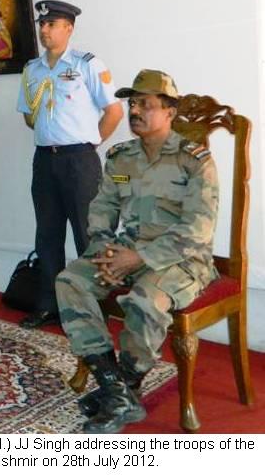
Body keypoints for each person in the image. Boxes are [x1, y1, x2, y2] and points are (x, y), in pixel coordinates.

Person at [56, 69, 219, 433]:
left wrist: (139, 259)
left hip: (181, 259)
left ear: (169, 111)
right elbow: (102, 209)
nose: (135, 111)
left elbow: (198, 230)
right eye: (132, 103)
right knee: (71, 280)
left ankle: (125, 385)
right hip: (126, 251)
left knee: (145, 301)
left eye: (145, 103)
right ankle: (116, 389)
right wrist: (105, 252)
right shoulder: (120, 158)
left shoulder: (195, 160)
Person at [16, 0, 123, 329]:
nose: (44, 30)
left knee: (87, 236)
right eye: (42, 24)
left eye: (51, 24)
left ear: (69, 29)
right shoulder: (32, 69)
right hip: (45, 161)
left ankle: (92, 310)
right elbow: (28, 115)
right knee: (47, 236)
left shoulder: (87, 64)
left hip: (79, 161)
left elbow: (114, 112)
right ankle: (50, 305)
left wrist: (90, 143)